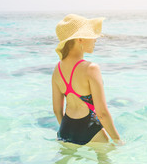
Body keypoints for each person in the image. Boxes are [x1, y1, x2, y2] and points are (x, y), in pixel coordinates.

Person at [51, 14, 122, 145]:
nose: (95, 39)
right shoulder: (91, 68)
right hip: (89, 130)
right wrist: (118, 140)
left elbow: (56, 109)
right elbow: (102, 113)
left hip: (65, 130)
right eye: (91, 35)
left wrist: (68, 130)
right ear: (79, 39)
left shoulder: (57, 69)